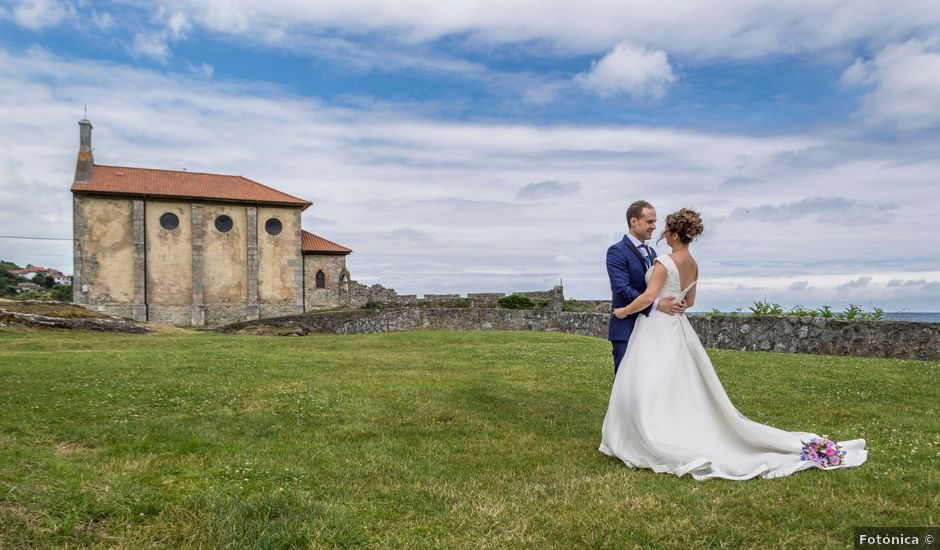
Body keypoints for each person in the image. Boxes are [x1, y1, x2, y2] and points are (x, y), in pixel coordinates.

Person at [599, 208, 868, 480]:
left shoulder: (664, 262)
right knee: (676, 381)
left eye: (663, 227)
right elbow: (689, 302)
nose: (659, 231)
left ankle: (652, 434)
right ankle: (665, 425)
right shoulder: (693, 263)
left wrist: (623, 312)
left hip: (657, 327)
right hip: (677, 326)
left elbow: (647, 298)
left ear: (673, 233)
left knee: (651, 380)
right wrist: (675, 302)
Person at [607, 200, 685, 375]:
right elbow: (622, 288)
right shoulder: (617, 251)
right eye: (650, 222)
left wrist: (677, 301)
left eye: (655, 222)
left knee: (649, 378)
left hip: (652, 326)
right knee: (626, 379)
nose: (654, 227)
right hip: (626, 326)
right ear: (634, 221)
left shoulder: (652, 253)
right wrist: (657, 304)